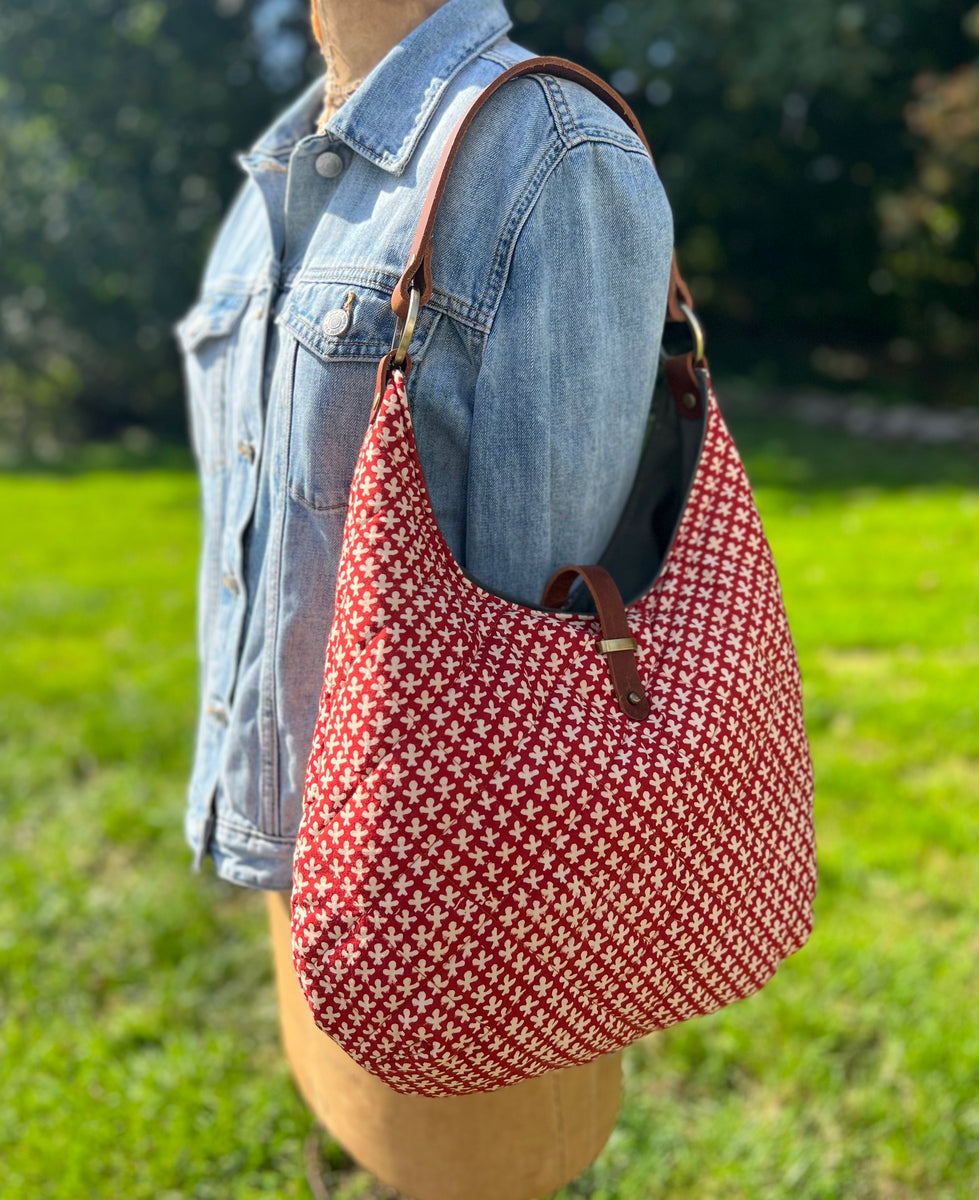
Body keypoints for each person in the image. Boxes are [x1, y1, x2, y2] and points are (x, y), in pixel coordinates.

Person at [176, 0, 675, 1194]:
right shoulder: (272, 186)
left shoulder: (545, 151)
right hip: (295, 852)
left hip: (454, 906)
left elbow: (554, 654)